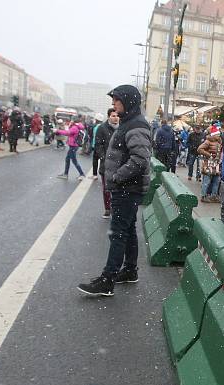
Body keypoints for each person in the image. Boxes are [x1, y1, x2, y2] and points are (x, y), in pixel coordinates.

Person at [78, 85, 151, 297]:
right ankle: (129, 270)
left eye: (116, 100)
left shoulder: (135, 125)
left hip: (127, 187)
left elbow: (140, 159)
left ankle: (107, 279)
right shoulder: (130, 122)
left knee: (118, 232)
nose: (113, 104)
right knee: (127, 230)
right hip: (127, 187)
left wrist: (117, 176)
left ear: (127, 101)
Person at [95, 108, 120, 219]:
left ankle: (115, 208)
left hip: (119, 164)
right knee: (106, 188)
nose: (116, 118)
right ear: (109, 116)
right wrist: (103, 157)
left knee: (117, 188)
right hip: (106, 164)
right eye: (113, 116)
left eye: (117, 116)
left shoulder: (122, 128)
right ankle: (107, 208)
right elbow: (98, 145)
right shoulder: (102, 128)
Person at [197, 125, 222, 202]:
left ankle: (213, 195)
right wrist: (208, 155)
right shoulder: (208, 141)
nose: (219, 135)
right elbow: (199, 149)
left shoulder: (219, 141)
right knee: (207, 181)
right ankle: (203, 196)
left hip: (216, 164)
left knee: (216, 181)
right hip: (208, 163)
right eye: (218, 134)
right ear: (214, 134)